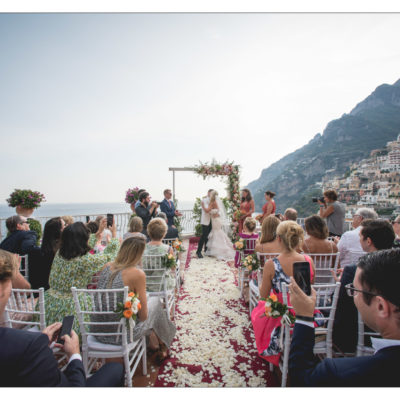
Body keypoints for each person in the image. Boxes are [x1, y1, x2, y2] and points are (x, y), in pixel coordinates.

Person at [0, 249, 124, 387]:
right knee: (115, 368)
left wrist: (41, 341)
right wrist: (75, 356)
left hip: (50, 304)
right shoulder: (28, 348)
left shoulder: (60, 253)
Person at [289, 249, 400, 387]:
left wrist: (304, 316)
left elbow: (301, 382)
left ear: (381, 307)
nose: (352, 295)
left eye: (354, 290)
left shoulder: (338, 374)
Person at [91, 236, 176, 362]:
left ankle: (156, 343)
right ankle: (162, 345)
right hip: (122, 334)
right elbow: (143, 317)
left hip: (98, 329)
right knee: (155, 304)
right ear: (138, 254)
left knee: (152, 305)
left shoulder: (107, 266)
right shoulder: (137, 273)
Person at [251, 221, 315, 365]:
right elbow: (311, 288)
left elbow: (263, 297)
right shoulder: (308, 260)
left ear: (279, 239)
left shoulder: (271, 264)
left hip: (282, 318)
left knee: (257, 313)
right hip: (306, 314)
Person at [43, 221, 120, 335]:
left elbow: (82, 245)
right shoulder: (84, 261)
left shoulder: (60, 253)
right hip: (71, 309)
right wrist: (114, 234)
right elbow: (110, 255)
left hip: (49, 305)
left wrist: (98, 233)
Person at [333, 219, 395, 353]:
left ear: (368, 241)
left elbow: (341, 305)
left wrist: (341, 282)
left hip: (358, 335)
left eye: (360, 237)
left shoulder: (354, 270)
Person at [28, 217, 65, 291]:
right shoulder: (59, 253)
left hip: (37, 291)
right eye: (64, 225)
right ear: (58, 231)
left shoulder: (36, 252)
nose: (66, 227)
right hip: (53, 291)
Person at [142, 218, 175, 291]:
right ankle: (165, 301)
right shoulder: (168, 249)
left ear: (149, 232)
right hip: (163, 285)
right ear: (164, 233)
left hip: (146, 285)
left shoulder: (143, 249)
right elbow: (173, 267)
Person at [204, 190, 235, 261]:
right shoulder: (215, 201)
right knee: (218, 232)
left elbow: (207, 210)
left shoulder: (212, 202)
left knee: (216, 232)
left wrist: (203, 205)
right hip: (217, 219)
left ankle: (219, 250)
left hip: (215, 220)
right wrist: (215, 213)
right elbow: (218, 210)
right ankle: (221, 248)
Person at [196, 189, 213, 259]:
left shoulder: (212, 200)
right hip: (205, 221)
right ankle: (198, 251)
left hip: (211, 220)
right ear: (208, 193)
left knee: (208, 236)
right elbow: (206, 210)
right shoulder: (204, 200)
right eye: (211, 193)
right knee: (203, 236)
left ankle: (206, 250)